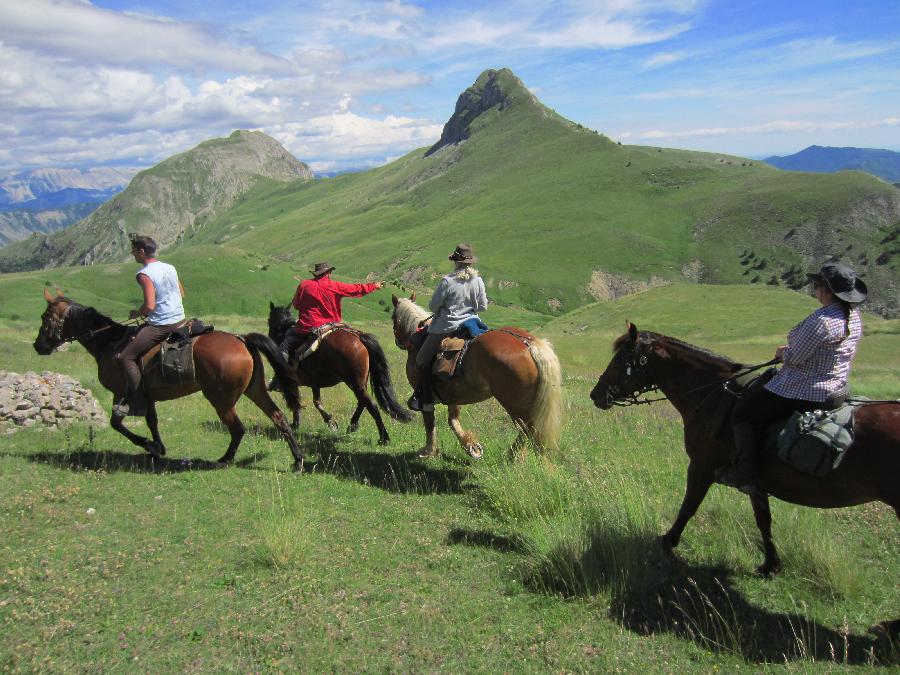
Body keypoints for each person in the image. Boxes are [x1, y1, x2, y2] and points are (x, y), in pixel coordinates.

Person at [718, 262, 866, 495]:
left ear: (827, 290)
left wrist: (783, 353)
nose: (814, 289)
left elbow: (796, 358)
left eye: (817, 285)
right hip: (836, 384)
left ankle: (746, 473)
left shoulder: (823, 321)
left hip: (807, 388)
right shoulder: (853, 315)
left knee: (743, 413)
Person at [408, 243, 488, 412]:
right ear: (470, 262)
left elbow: (433, 306)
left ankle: (426, 400)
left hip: (446, 327)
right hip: (470, 326)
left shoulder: (448, 281)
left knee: (421, 361)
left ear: (455, 262)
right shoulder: (478, 281)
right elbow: (482, 307)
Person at [114, 235, 186, 417]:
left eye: (133, 251)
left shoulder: (144, 274)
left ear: (141, 251)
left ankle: (138, 403)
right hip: (181, 319)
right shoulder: (170, 267)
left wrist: (136, 313)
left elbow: (149, 306)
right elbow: (182, 293)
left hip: (162, 325)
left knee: (126, 357)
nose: (132, 254)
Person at [279, 262, 382, 362]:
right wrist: (374, 286)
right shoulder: (335, 286)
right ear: (328, 273)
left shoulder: (304, 285)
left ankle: (281, 376)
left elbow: (296, 305)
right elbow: (355, 289)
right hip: (332, 325)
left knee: (284, 346)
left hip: (308, 327)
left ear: (316, 273)